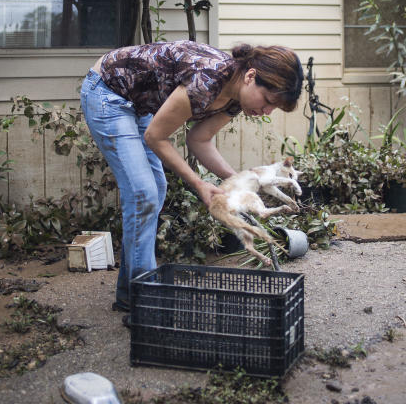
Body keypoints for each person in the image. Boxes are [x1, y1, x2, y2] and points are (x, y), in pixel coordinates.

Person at [79, 40, 303, 313]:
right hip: (108, 93)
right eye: (268, 101)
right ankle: (146, 305)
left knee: (155, 189)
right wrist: (199, 183)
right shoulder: (206, 80)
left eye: (274, 107)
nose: (267, 111)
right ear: (251, 76)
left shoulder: (235, 99)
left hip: (137, 104)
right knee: (143, 194)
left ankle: (130, 295)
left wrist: (241, 181)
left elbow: (199, 139)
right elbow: (155, 137)